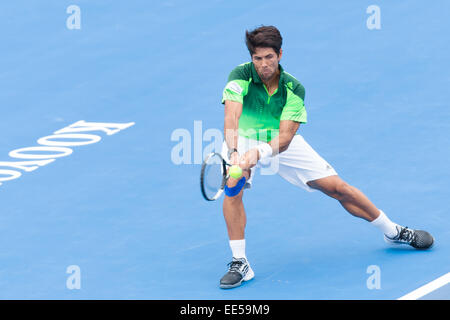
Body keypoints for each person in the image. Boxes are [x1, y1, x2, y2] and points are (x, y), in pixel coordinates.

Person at [219, 25, 434, 289]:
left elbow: (285, 138)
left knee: (337, 188)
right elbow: (231, 117)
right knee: (234, 185)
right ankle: (240, 261)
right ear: (251, 58)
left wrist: (259, 152)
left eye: (269, 58)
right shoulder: (239, 75)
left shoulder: (294, 88)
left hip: (277, 141)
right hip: (243, 136)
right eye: (257, 58)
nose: (263, 64)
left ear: (280, 54)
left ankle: (393, 231)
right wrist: (235, 153)